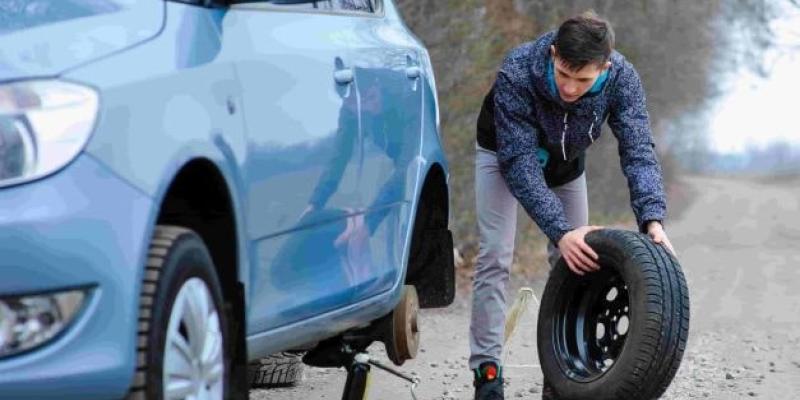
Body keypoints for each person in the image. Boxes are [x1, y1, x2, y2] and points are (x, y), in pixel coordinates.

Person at [469, 11, 676, 400]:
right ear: (552, 54)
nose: (569, 87)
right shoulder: (518, 69)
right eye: (563, 73)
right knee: (496, 254)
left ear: (605, 67)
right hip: (502, 155)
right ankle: (487, 373)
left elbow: (638, 150)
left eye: (583, 80)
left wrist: (652, 218)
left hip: (567, 163)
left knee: (576, 263)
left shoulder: (623, 79)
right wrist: (560, 230)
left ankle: (563, 377)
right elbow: (519, 164)